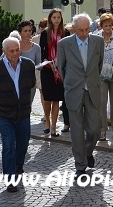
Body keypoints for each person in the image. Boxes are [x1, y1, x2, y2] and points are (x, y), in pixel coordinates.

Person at [0, 36, 36, 193]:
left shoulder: (28, 65)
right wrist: (5, 98)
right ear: (4, 52)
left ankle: (18, 165)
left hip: (24, 112)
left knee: (23, 143)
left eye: (17, 50)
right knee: (8, 145)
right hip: (5, 114)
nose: (15, 53)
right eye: (11, 51)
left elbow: (31, 83)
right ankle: (10, 180)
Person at [56, 13, 104, 179]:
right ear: (74, 28)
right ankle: (80, 165)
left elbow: (99, 64)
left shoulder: (98, 42)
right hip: (73, 90)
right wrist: (71, 83)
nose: (83, 33)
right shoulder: (64, 44)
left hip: (92, 89)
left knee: (95, 129)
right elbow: (61, 68)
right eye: (80, 30)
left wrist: (91, 81)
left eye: (86, 30)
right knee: (76, 131)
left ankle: (88, 152)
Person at [39, 8, 70, 137]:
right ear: (50, 19)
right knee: (47, 99)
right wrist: (48, 61)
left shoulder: (65, 32)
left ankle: (53, 127)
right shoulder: (45, 33)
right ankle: (47, 121)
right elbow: (42, 52)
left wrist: (59, 61)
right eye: (54, 17)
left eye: (58, 17)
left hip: (60, 70)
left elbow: (68, 50)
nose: (56, 20)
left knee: (56, 99)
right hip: (47, 70)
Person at [14, 22, 41, 104]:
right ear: (20, 33)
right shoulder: (14, 45)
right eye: (25, 31)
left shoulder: (36, 47)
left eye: (29, 30)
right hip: (15, 80)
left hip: (29, 81)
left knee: (27, 105)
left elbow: (38, 65)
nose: (28, 33)